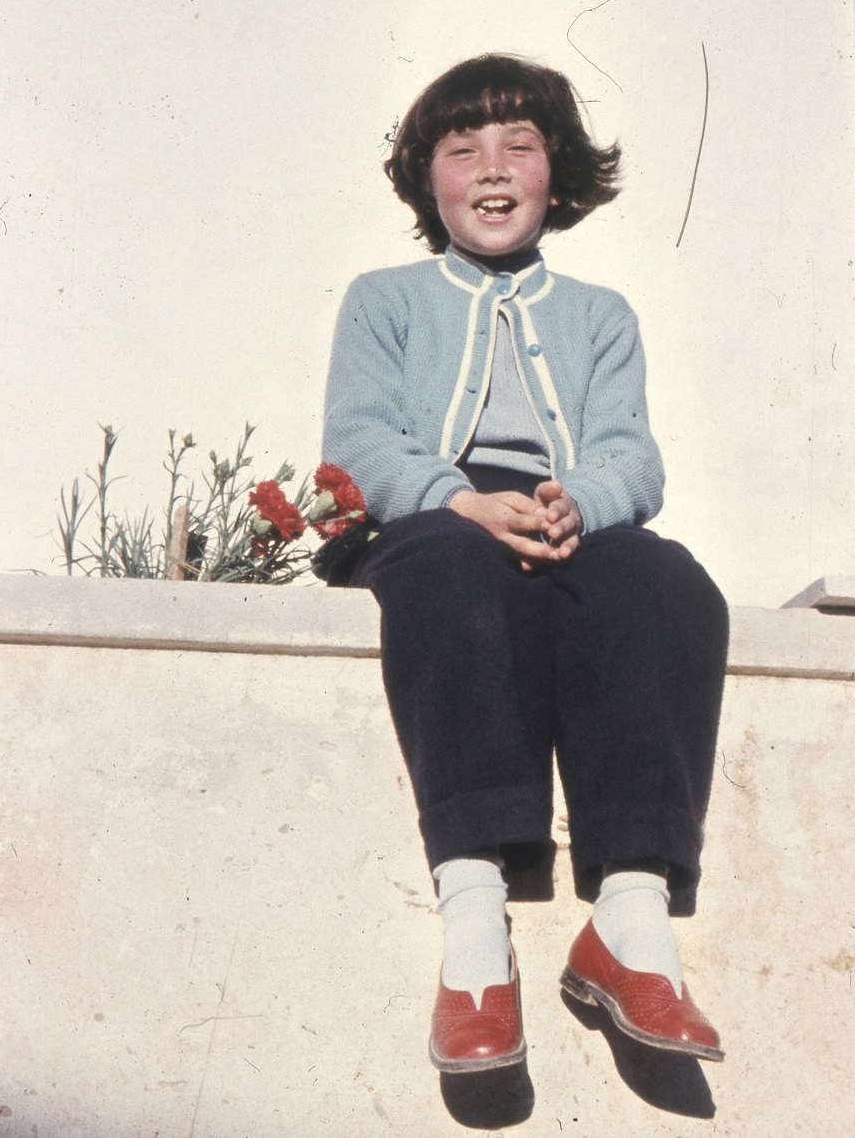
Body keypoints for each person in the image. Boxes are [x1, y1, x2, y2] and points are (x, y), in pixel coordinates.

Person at [320, 53, 728, 1073]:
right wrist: (459, 498)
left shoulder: (599, 316)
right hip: (434, 525)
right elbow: (361, 438)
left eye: (519, 144)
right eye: (463, 150)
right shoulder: (384, 298)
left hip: (562, 527)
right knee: (455, 571)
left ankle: (630, 920)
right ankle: (474, 935)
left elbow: (630, 452)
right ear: (428, 179)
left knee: (663, 579)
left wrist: (574, 502)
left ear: (557, 172)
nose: (491, 168)